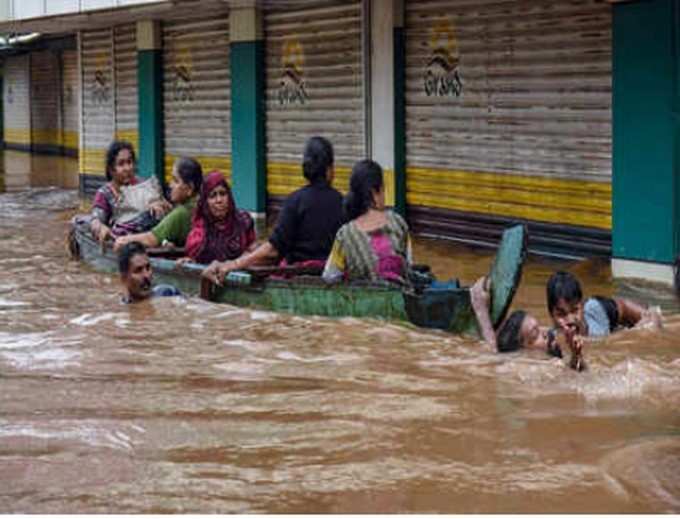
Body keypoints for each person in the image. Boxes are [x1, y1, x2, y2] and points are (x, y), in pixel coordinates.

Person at [202, 136, 344, 284]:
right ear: (329, 169)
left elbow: (273, 250)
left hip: (298, 277)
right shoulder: (342, 202)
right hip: (331, 278)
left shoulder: (295, 201)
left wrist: (233, 265)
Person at [322, 159, 411, 284]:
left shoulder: (345, 234)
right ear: (375, 192)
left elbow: (330, 276)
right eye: (383, 189)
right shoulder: (399, 223)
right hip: (400, 300)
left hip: (361, 301)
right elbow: (409, 266)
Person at [113, 157, 203, 252]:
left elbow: (151, 239)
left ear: (189, 188)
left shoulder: (181, 213)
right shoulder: (199, 205)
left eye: (176, 181)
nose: (170, 185)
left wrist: (124, 239)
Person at [90, 140, 170, 243]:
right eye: (121, 164)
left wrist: (158, 204)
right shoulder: (105, 193)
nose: (127, 168)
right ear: (111, 169)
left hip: (151, 238)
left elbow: (164, 208)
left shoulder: (145, 185)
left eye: (129, 162)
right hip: (124, 242)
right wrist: (100, 226)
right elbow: (96, 219)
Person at [183, 171, 256, 264]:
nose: (219, 200)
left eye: (223, 194)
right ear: (205, 202)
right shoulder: (200, 231)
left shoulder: (244, 221)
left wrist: (245, 258)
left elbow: (253, 249)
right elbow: (194, 260)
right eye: (212, 196)